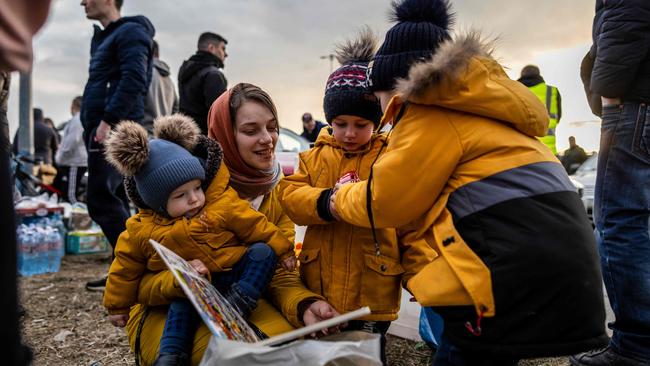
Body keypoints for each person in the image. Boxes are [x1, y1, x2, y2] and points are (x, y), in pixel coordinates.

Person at [328, 0, 608, 365]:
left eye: (376, 95)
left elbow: (385, 201)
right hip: (562, 270)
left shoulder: (430, 114)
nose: (379, 107)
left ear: (393, 86)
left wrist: (337, 198)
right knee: (494, 352)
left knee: (463, 353)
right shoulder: (493, 116)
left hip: (504, 277)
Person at [124, 83, 339, 366]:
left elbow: (278, 270)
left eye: (272, 127)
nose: (268, 139)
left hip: (241, 303)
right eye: (251, 131)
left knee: (290, 351)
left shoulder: (276, 192)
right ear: (224, 135)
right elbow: (136, 280)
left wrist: (304, 304)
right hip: (169, 310)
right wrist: (182, 281)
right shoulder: (180, 189)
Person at [103, 115, 296, 365]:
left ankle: (239, 302)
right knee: (180, 309)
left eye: (197, 188)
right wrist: (117, 306)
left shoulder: (221, 205)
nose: (194, 199)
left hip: (231, 274)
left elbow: (256, 226)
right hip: (190, 288)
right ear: (157, 203)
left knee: (262, 252)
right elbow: (123, 270)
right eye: (181, 195)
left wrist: (283, 250)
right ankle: (171, 355)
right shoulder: (141, 230)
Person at [279, 29, 412, 364]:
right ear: (329, 120)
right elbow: (290, 196)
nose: (350, 133)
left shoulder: (389, 156)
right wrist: (327, 202)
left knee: (368, 353)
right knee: (326, 350)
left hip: (374, 286)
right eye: (340, 123)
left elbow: (404, 211)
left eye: (361, 124)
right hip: (321, 283)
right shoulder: (313, 157)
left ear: (377, 122)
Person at [570, 1, 650, 365]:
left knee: (622, 221)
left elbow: (625, 21)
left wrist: (608, 94)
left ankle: (636, 346)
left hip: (635, 105)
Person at [79, 0, 155, 291]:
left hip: (111, 127)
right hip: (100, 125)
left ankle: (135, 266)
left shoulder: (131, 32)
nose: (82, 2)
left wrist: (109, 120)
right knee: (115, 197)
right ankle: (125, 268)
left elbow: (134, 78)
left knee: (100, 198)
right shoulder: (104, 37)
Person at [178, 32, 228, 135]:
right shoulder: (213, 74)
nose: (226, 54)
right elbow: (220, 116)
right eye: (223, 48)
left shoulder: (185, 71)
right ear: (211, 48)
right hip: (206, 141)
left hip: (185, 136)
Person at [518, 64, 562, 155]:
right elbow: (557, 118)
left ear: (522, 75)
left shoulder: (514, 90)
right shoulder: (552, 91)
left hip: (521, 151)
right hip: (549, 153)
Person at [53, 96, 87, 204]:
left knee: (71, 196)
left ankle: (77, 218)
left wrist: (59, 158)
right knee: (69, 194)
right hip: (75, 161)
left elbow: (71, 142)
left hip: (74, 162)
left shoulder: (77, 120)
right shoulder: (81, 119)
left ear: (73, 106)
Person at [142, 40, 179, 134]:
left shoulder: (143, 73)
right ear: (158, 54)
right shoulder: (169, 80)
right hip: (162, 137)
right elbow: (176, 109)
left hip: (142, 134)